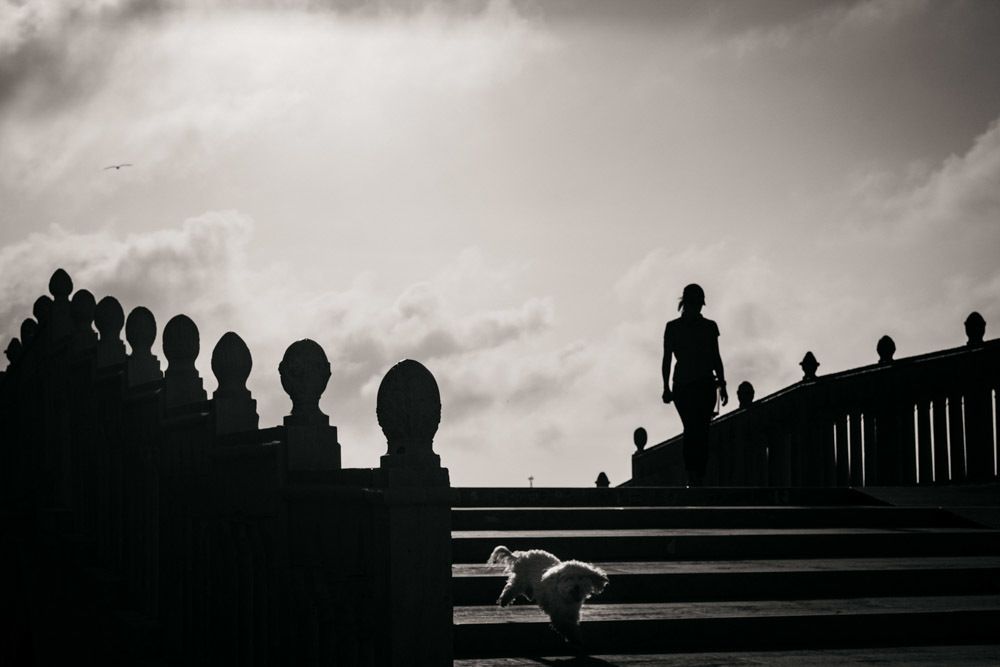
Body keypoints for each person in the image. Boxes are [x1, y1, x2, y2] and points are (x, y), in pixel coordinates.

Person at [662, 284, 728, 486]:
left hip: (703, 385)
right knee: (693, 428)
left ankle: (697, 474)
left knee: (701, 430)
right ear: (688, 304)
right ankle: (694, 475)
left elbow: (716, 357)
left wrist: (722, 383)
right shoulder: (673, 327)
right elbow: (666, 360)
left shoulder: (709, 327)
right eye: (696, 304)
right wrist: (666, 387)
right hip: (685, 386)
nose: (698, 308)